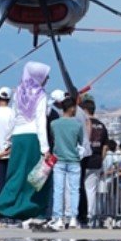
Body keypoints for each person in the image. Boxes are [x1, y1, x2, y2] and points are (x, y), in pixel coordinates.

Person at [0, 61, 52, 223]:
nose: (47, 79)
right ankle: (33, 210)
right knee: (36, 177)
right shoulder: (40, 94)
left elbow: (13, 117)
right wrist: (45, 147)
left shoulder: (19, 91)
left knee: (15, 174)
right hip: (33, 137)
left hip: (18, 137)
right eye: (45, 76)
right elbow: (41, 120)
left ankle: (2, 207)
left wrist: (8, 139)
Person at [45, 95, 83, 230]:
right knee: (74, 190)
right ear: (72, 108)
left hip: (59, 160)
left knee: (58, 190)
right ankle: (73, 218)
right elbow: (81, 142)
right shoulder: (78, 124)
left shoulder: (54, 124)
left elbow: (54, 138)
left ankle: (58, 218)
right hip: (74, 160)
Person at [79, 95, 108, 227]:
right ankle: (90, 214)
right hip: (96, 160)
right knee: (91, 190)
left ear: (84, 110)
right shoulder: (101, 125)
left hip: (83, 159)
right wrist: (101, 159)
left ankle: (80, 214)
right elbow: (105, 146)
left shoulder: (82, 123)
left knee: (79, 188)